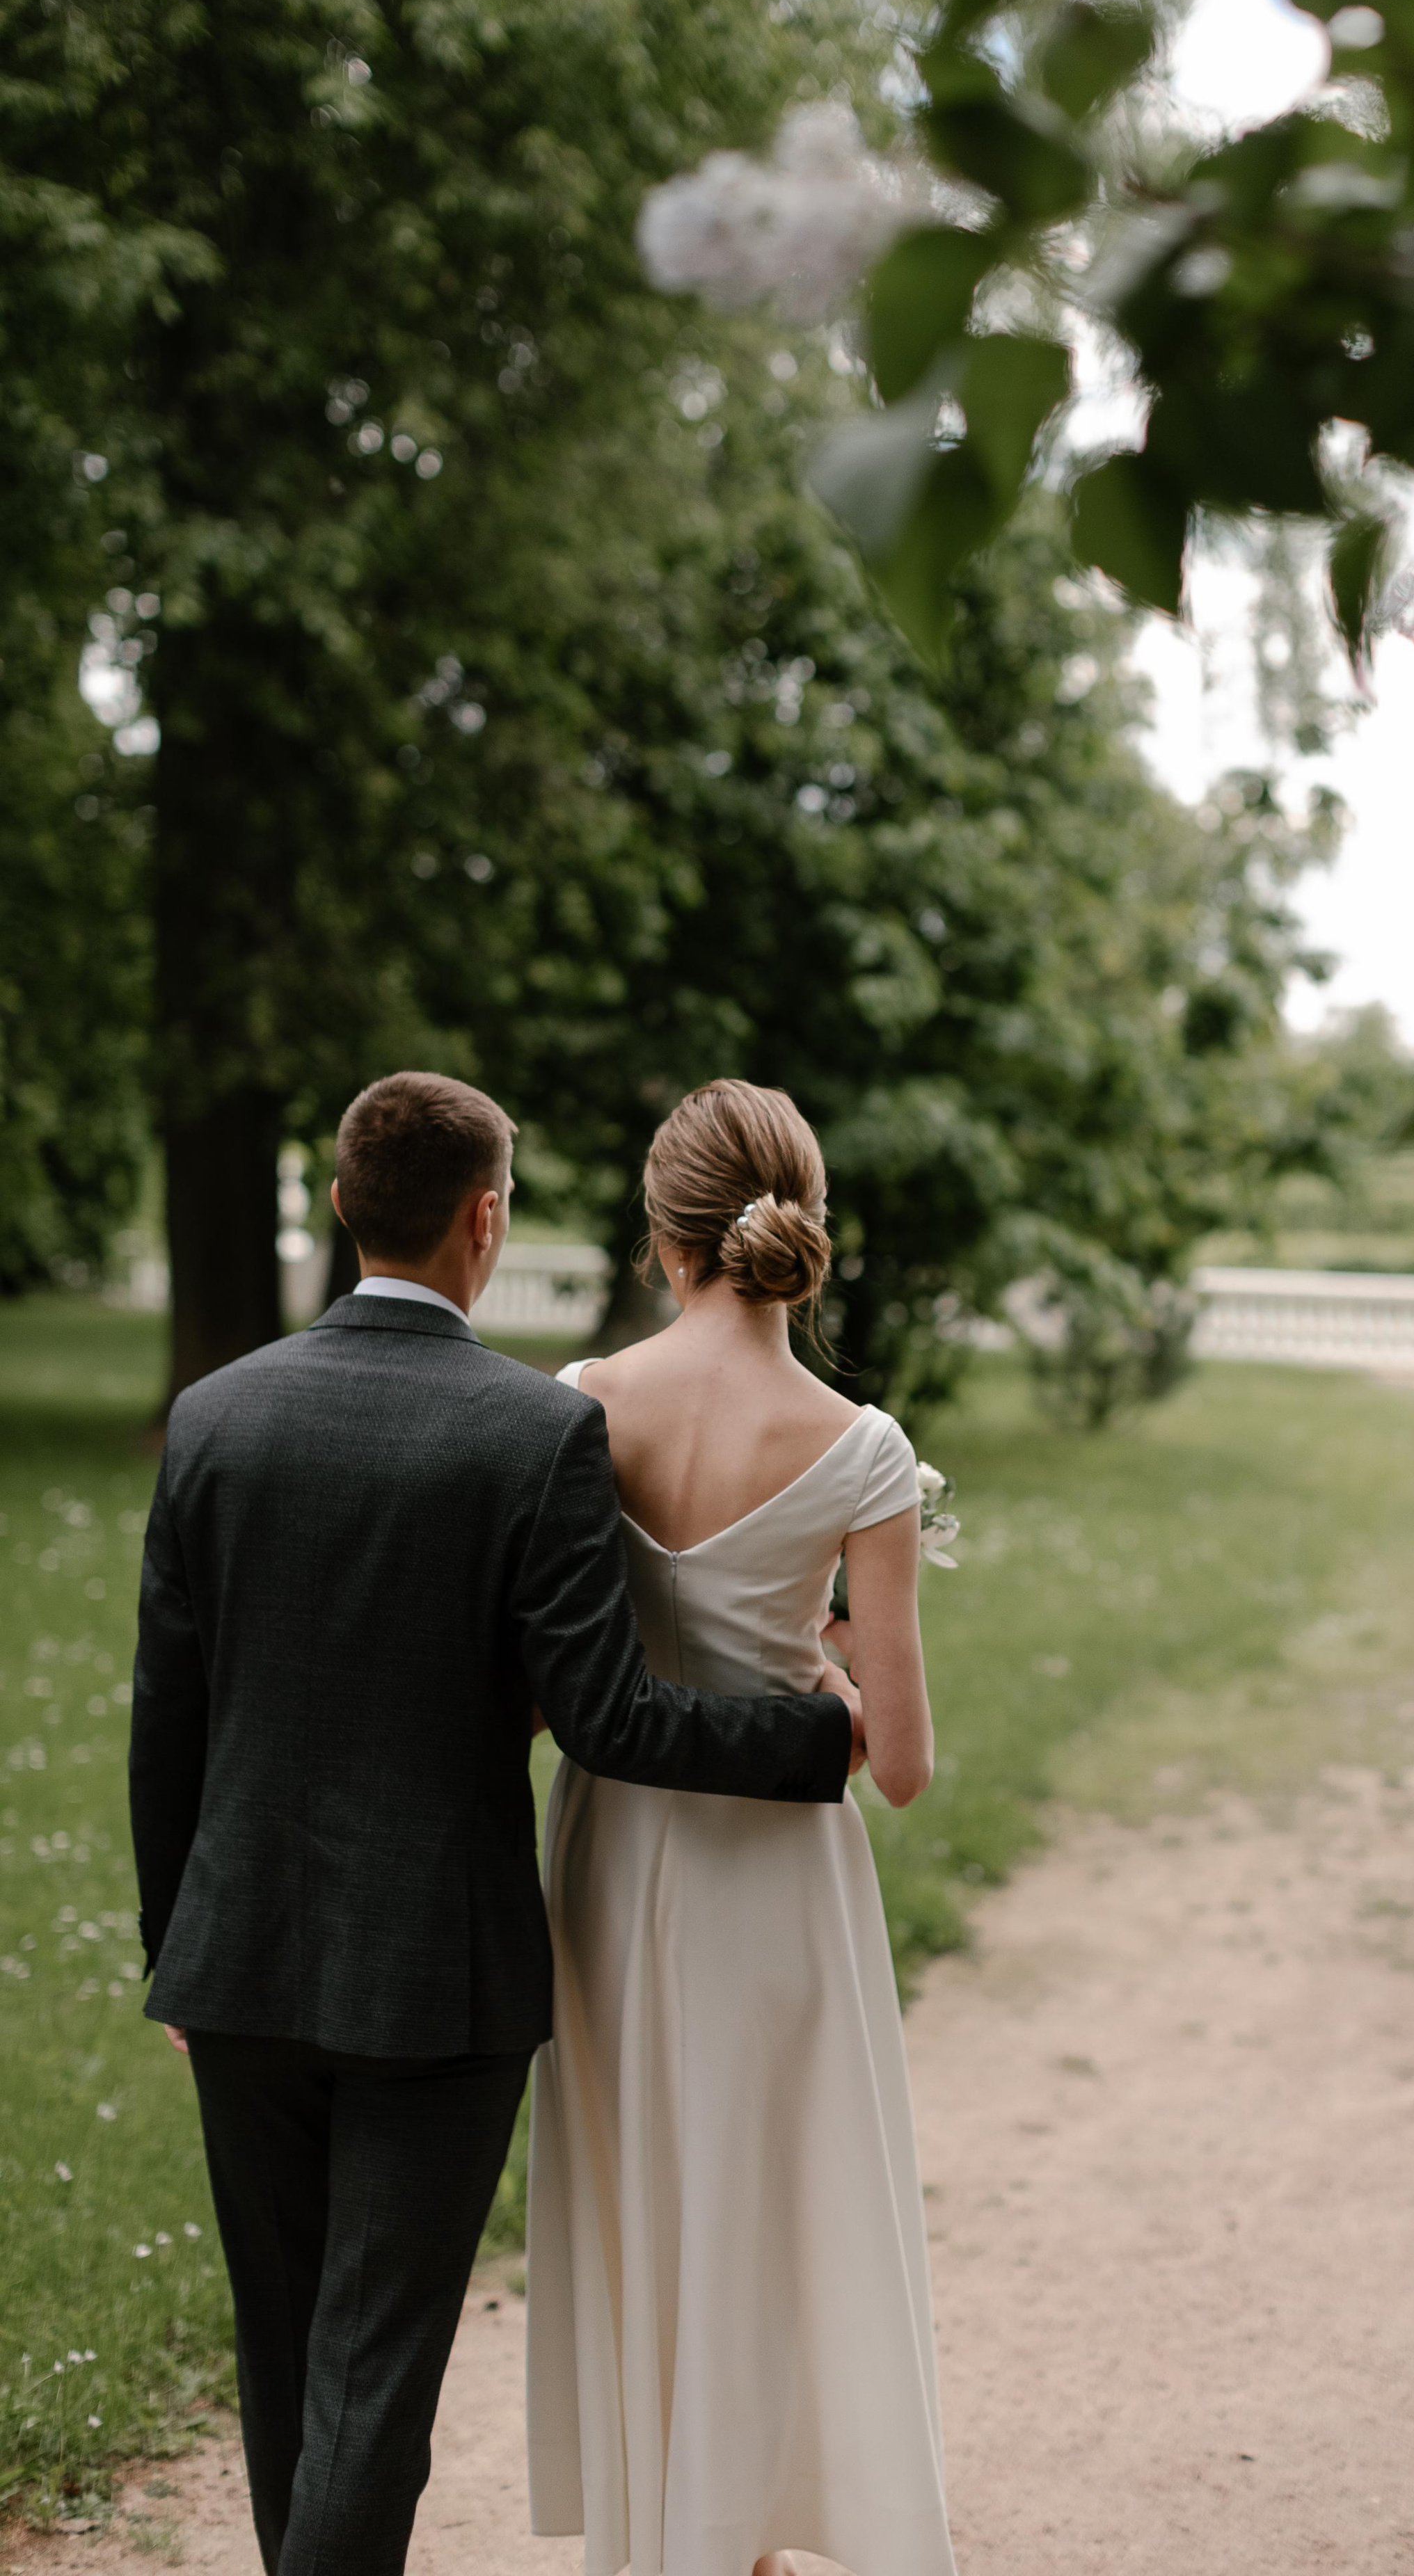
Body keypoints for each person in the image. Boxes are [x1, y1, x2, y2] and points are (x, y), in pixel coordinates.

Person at [129, 1071, 863, 2576]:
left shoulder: (214, 1419)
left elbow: (169, 1726)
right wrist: (815, 1733)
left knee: (288, 2372)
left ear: (342, 1209)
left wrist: (174, 1953)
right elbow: (607, 1719)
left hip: (238, 1961)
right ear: (486, 1218)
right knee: (371, 2383)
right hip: (434, 1985)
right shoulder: (531, 1437)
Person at [526, 1078, 956, 2576]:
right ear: (803, 1227)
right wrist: (827, 1666)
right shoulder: (863, 1446)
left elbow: (546, 1673)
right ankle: (747, 2534)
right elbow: (895, 1765)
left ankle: (661, 2529)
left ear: (663, 1238)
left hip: (610, 1856)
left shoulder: (581, 1402)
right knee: (768, 2195)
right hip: (776, 1873)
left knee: (645, 2181)